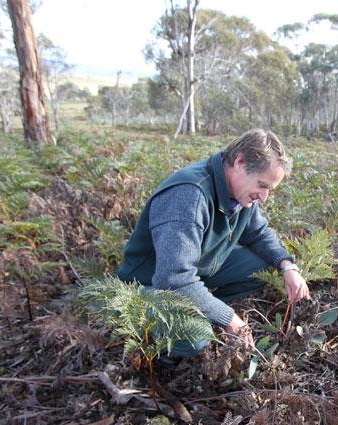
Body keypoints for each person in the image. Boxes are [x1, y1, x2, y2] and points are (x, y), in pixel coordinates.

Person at [117, 128, 309, 362]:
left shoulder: (240, 192)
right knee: (195, 336)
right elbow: (173, 279)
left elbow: (258, 234)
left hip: (195, 272)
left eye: (269, 188)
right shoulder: (188, 195)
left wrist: (287, 266)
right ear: (240, 162)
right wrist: (228, 317)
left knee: (266, 265)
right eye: (262, 185)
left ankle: (201, 306)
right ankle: (155, 351)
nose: (263, 197)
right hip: (147, 287)